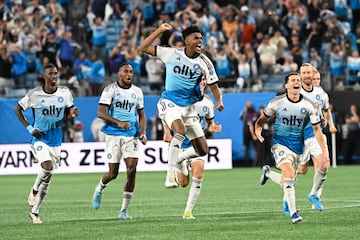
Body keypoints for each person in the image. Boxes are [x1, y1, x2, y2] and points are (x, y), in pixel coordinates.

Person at [136, 24, 224, 182]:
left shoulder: (205, 62)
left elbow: (214, 86)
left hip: (188, 108)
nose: (200, 41)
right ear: (187, 41)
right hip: (169, 102)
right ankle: (169, 176)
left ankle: (179, 158)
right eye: (196, 38)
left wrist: (219, 101)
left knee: (203, 150)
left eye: (201, 39)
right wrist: (160, 30)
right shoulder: (171, 53)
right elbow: (142, 47)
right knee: (180, 131)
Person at [255, 72, 329, 224]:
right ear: (286, 85)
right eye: (293, 80)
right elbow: (263, 118)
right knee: (289, 174)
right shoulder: (277, 102)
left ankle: (268, 173)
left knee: (288, 180)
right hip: (280, 144)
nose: (296, 82)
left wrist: (324, 151)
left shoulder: (308, 105)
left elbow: (317, 130)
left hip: (298, 146)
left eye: (298, 80)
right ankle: (294, 214)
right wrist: (257, 127)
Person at [14, 63, 79, 224]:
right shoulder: (34, 94)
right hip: (40, 138)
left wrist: (72, 114)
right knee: (47, 166)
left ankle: (35, 212)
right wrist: (30, 128)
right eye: (50, 74)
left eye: (56, 73)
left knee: (48, 178)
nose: (54, 77)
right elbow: (17, 109)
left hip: (56, 140)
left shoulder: (65, 93)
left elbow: (69, 112)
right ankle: (34, 190)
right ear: (44, 76)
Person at [91, 63, 147, 220]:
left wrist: (142, 133)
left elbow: (141, 115)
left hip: (131, 135)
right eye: (126, 71)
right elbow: (100, 112)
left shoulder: (137, 92)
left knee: (131, 168)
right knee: (113, 173)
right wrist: (118, 122)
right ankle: (100, 188)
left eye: (131, 71)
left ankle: (124, 210)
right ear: (119, 73)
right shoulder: (110, 90)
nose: (129, 74)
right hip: (113, 135)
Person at [164, 93, 222, 219]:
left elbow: (209, 123)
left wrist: (213, 127)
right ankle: (180, 161)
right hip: (180, 144)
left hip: (195, 144)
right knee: (184, 183)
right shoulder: (180, 97)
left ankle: (188, 211)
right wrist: (167, 132)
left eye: (203, 81)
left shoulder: (208, 102)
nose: (201, 83)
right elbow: (165, 113)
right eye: (199, 80)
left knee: (199, 174)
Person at [239, 101, 259, 166]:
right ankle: (246, 162)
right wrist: (244, 110)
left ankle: (256, 162)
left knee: (255, 147)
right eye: (247, 105)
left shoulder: (254, 113)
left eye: (250, 104)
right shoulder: (245, 113)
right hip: (246, 131)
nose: (249, 106)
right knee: (246, 147)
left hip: (254, 131)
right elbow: (241, 117)